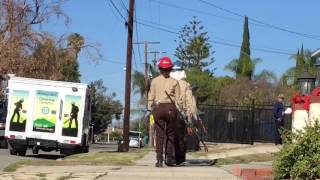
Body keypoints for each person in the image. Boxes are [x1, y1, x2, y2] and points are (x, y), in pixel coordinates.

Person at [148, 56, 181, 167]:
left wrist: (149, 108)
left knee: (159, 135)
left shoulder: (154, 81)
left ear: (160, 68)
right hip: (171, 109)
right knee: (170, 134)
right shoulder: (175, 82)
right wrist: (179, 109)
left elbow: (150, 96)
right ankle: (168, 158)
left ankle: (159, 160)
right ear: (170, 69)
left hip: (158, 108)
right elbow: (178, 99)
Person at [169, 61, 197, 165]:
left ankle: (169, 157)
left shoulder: (167, 82)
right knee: (180, 137)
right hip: (181, 114)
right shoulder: (186, 85)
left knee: (169, 137)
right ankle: (179, 158)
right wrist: (192, 116)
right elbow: (190, 101)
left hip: (169, 112)